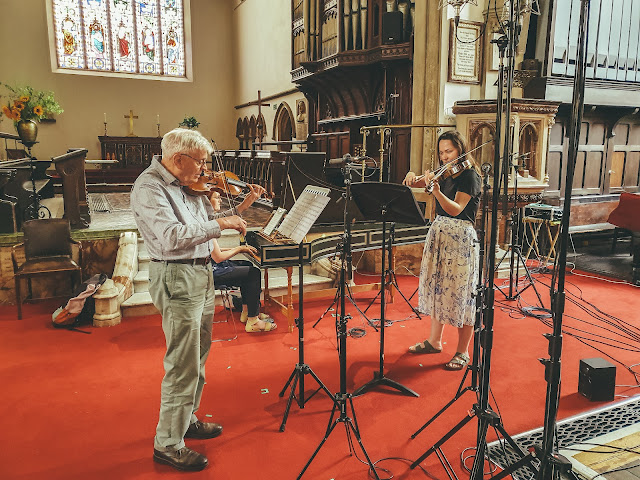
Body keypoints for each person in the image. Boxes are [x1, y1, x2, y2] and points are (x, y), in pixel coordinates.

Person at [130, 128, 247, 472]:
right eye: (200, 161)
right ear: (178, 158)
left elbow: (202, 222)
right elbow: (170, 237)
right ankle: (168, 443)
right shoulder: (150, 187)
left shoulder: (187, 185)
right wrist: (221, 222)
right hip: (176, 275)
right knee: (182, 363)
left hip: (200, 273)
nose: (204, 168)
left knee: (198, 354)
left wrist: (214, 207)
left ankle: (187, 418)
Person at [403, 130, 481, 371]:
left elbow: (457, 209)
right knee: (438, 289)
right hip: (440, 235)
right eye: (441, 152)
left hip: (460, 238)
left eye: (449, 151)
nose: (445, 157)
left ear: (460, 149)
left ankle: (462, 351)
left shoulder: (469, 176)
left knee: (461, 295)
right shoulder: (444, 174)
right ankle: (434, 341)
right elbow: (415, 183)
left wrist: (435, 191)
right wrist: (413, 176)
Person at [208, 191, 276, 333]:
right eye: (217, 197)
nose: (220, 200)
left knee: (247, 265)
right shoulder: (206, 223)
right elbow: (218, 257)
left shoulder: (207, 219)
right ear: (207, 201)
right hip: (209, 272)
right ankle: (253, 322)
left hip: (210, 266)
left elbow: (215, 250)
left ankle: (248, 312)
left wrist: (241, 249)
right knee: (252, 273)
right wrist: (239, 249)